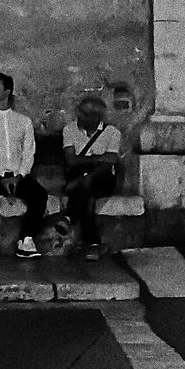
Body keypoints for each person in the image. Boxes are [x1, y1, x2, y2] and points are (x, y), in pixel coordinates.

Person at [0, 70, 48, 260]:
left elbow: (28, 153)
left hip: (17, 175)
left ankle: (26, 239)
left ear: (7, 91)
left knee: (40, 195)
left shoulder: (23, 121)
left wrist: (18, 176)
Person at [58, 90, 124, 257]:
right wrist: (98, 159)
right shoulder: (69, 130)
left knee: (88, 183)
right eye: (81, 112)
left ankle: (69, 217)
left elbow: (111, 161)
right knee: (88, 196)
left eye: (86, 114)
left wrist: (86, 175)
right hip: (78, 176)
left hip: (103, 178)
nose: (81, 116)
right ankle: (93, 244)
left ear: (96, 117)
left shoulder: (112, 133)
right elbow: (71, 160)